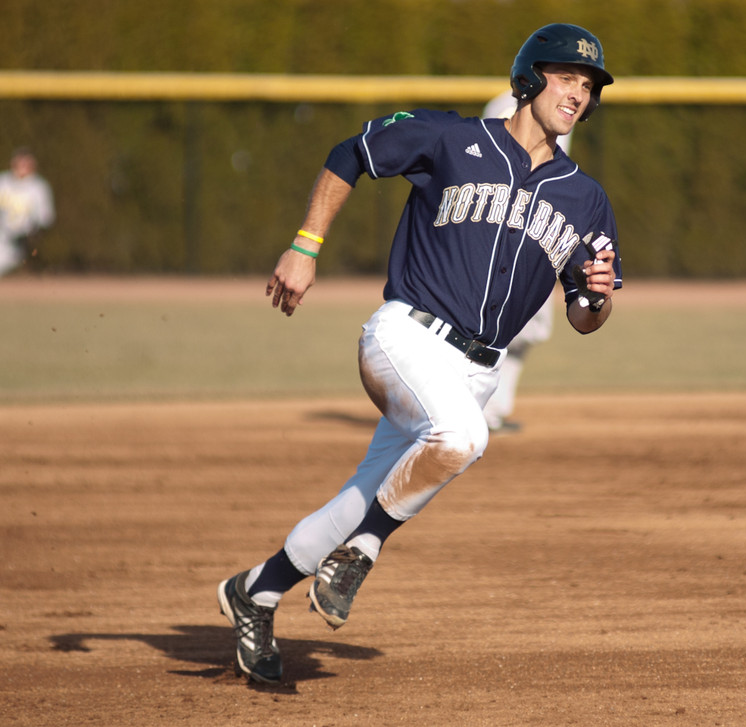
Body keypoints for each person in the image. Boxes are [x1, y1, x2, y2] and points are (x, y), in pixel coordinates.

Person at [217, 23, 622, 685]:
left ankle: (256, 591)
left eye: (588, 85)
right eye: (565, 77)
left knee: (363, 495)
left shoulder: (586, 198)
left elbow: (584, 316)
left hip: (476, 369)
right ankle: (364, 552)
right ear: (528, 77)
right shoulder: (452, 139)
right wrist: (306, 245)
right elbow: (351, 153)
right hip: (404, 334)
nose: (578, 93)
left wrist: (597, 298)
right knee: (463, 437)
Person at [479, 91, 573, 433]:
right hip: (511, 234)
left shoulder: (565, 103)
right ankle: (479, 408)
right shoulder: (510, 105)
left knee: (531, 330)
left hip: (537, 230)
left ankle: (495, 408)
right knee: (496, 328)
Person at [0, 148, 54, 276]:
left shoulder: (39, 187)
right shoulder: (3, 182)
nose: (22, 167)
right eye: (20, 163)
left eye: (26, 164)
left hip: (18, 242)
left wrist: (32, 234)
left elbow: (45, 218)